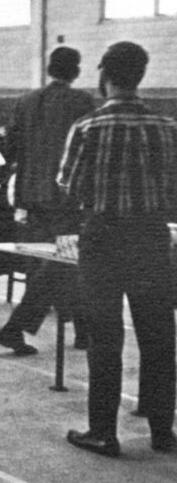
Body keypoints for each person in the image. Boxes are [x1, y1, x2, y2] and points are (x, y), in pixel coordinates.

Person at [58, 41, 177, 457]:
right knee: (159, 337)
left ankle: (104, 432)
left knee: (104, 338)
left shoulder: (89, 127)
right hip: (150, 238)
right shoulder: (166, 128)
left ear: (104, 75)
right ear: (141, 77)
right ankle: (163, 430)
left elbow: (68, 187)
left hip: (103, 239)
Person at [0, 47, 95, 357]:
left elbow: (8, 150)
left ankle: (80, 330)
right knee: (66, 262)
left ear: (50, 68)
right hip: (65, 199)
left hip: (30, 197)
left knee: (49, 265)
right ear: (75, 72)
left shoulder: (25, 102)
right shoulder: (83, 102)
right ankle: (28, 327)